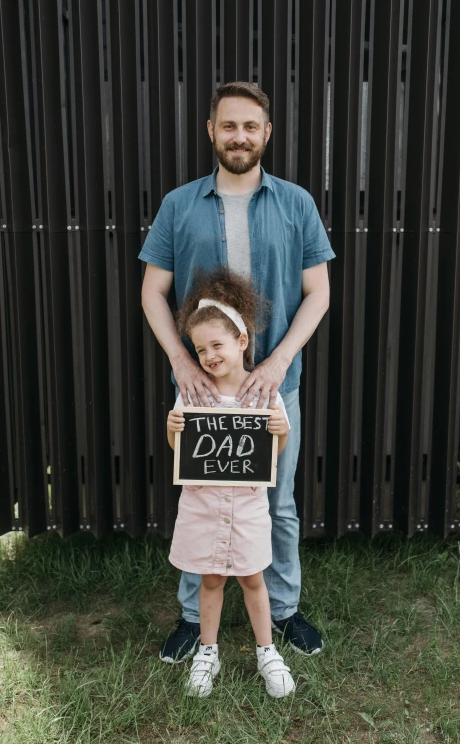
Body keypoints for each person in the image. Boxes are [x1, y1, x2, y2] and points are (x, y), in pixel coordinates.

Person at [140, 80, 335, 663]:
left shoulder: (296, 203)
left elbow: (319, 293)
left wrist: (278, 361)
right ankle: (193, 616)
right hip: (202, 392)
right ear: (211, 132)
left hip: (274, 388)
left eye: (251, 126)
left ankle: (282, 609)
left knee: (274, 502)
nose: (240, 136)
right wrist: (180, 360)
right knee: (199, 497)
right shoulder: (179, 205)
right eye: (229, 125)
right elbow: (153, 292)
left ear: (267, 133)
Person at [167, 269, 295, 697]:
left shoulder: (263, 395)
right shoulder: (194, 393)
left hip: (248, 509)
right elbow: (182, 450)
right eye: (200, 349)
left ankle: (267, 651)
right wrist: (173, 427)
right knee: (211, 580)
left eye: (216, 345)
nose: (208, 356)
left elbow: (271, 456)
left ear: (241, 341)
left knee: (254, 579)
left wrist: (282, 430)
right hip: (204, 506)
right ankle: (208, 651)